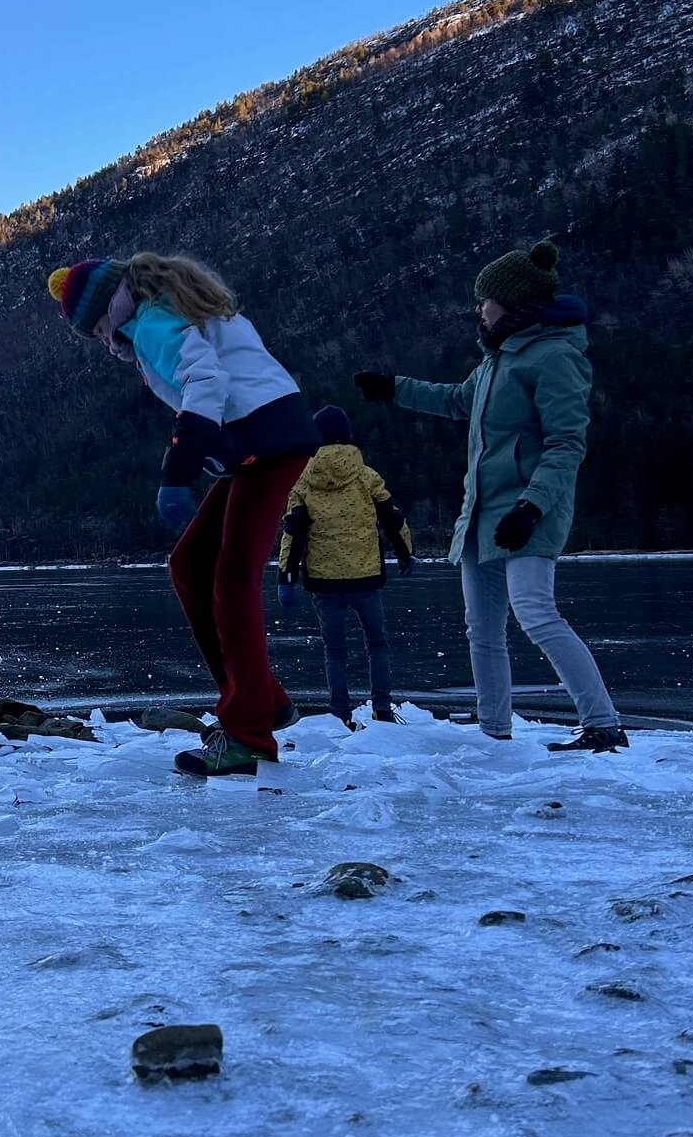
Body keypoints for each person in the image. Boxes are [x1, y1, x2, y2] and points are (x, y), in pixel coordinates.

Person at [48, 253, 318, 776]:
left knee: (233, 579)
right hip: (263, 438)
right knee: (191, 564)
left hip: (267, 440)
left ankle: (248, 735)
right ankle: (264, 699)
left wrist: (177, 472)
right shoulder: (171, 306)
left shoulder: (151, 321)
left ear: (109, 308)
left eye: (99, 328)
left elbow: (206, 380)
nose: (105, 342)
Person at [354, 238, 627, 752]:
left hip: (528, 512)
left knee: (537, 614)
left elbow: (567, 444)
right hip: (480, 514)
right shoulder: (496, 361)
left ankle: (604, 723)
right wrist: (395, 388)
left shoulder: (553, 355)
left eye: (484, 299)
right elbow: (457, 401)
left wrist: (531, 507)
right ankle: (493, 732)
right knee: (481, 630)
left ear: (513, 300)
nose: (478, 308)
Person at [275, 404, 415, 728]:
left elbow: (293, 534)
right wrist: (405, 552)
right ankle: (382, 709)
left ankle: (340, 714)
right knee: (377, 644)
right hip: (365, 578)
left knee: (335, 652)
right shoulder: (366, 476)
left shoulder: (303, 482)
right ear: (349, 436)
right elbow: (392, 518)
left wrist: (286, 576)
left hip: (325, 583)